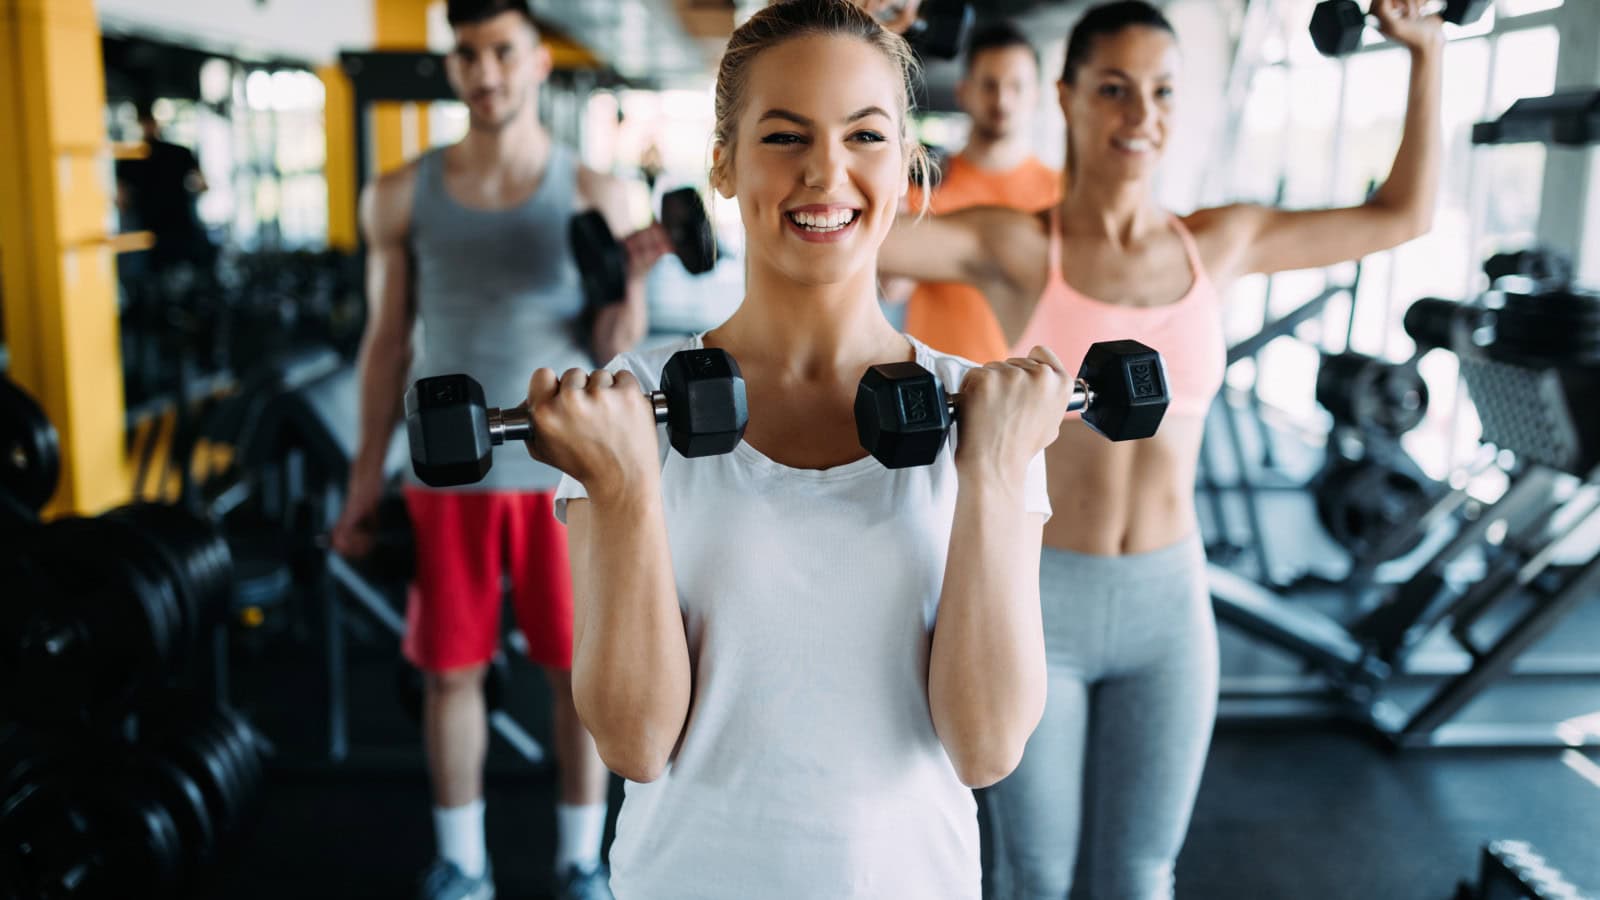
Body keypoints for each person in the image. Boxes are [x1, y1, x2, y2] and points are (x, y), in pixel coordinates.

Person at [876, 1, 1445, 896]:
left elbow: (1403, 214)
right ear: (1065, 99)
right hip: (1040, 602)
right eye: (1113, 90)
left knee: (1142, 877)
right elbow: (850, 224)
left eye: (1162, 92)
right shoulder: (1019, 248)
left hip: (1172, 605)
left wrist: (1426, 50)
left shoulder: (1222, 241)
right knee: (1035, 874)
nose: (1141, 116)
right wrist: (868, 38)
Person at [532, 2, 1072, 897]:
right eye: (785, 136)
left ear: (907, 167)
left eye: (865, 135)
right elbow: (635, 743)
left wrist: (991, 472)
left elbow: (984, 748)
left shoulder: (985, 411)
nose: (827, 171)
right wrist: (626, 489)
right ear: (724, 164)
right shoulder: (632, 405)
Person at [329, 1, 647, 897]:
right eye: (467, 54)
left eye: (503, 50)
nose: (486, 70)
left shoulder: (596, 193)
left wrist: (632, 282)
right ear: (454, 65)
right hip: (444, 479)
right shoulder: (401, 192)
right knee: (450, 675)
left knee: (576, 680)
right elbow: (385, 344)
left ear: (538, 60)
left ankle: (581, 863)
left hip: (563, 477)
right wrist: (363, 485)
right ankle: (463, 866)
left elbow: (617, 343)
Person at [903, 21, 1061, 363]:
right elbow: (894, 286)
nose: (1002, 99)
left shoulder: (1063, 195)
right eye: (989, 85)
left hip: (1030, 386)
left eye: (1016, 86)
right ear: (964, 92)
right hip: (937, 390)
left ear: (1035, 95)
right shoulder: (927, 185)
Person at [116, 99, 214, 272]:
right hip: (168, 225)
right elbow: (203, 186)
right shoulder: (177, 153)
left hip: (161, 225)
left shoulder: (133, 157)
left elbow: (121, 200)